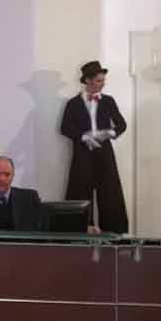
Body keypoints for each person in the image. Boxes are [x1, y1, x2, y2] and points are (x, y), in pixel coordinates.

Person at [61, 61, 128, 234]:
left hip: (104, 153)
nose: (102, 84)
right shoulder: (73, 103)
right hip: (82, 154)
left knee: (110, 192)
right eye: (99, 80)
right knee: (80, 190)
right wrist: (84, 137)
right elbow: (65, 128)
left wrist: (108, 133)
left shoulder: (108, 101)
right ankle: (78, 232)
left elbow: (121, 125)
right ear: (88, 80)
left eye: (103, 80)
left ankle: (113, 233)